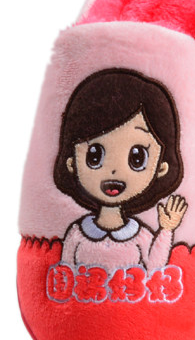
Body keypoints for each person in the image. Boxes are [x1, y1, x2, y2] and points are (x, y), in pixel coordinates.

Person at [54, 68, 187, 273]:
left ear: (161, 168)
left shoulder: (139, 235)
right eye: (94, 156)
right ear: (72, 163)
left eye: (137, 158)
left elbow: (154, 266)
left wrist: (167, 229)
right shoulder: (77, 234)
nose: (114, 172)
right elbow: (65, 270)